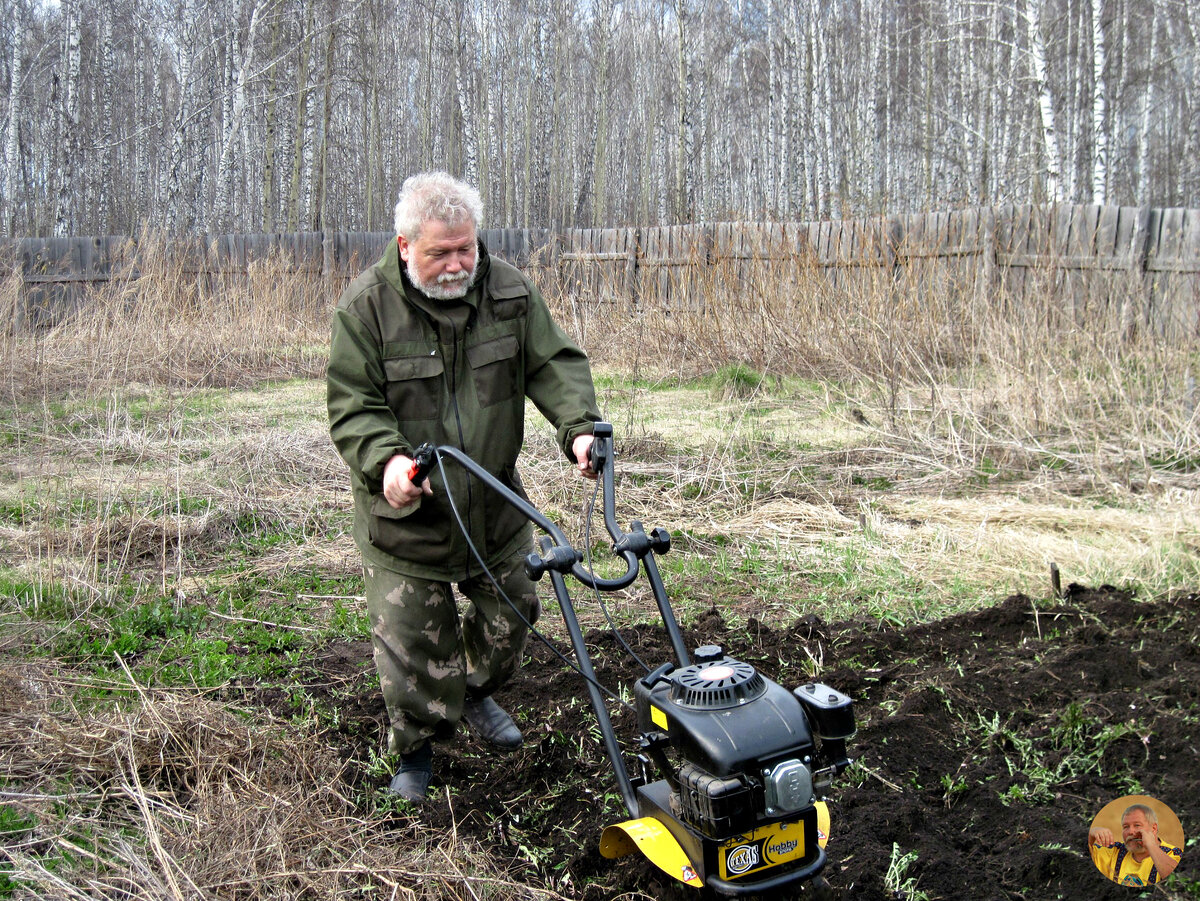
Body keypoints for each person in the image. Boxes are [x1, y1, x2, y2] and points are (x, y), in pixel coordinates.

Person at [327, 171, 601, 802]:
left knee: (515, 614)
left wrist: (581, 431)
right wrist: (387, 464)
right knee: (412, 645)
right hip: (407, 515)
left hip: (492, 505)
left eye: (465, 249)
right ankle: (419, 748)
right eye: (439, 253)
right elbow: (354, 405)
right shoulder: (365, 310)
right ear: (404, 247)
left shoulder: (509, 293)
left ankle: (473, 692)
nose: (456, 265)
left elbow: (553, 365)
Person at [1088, 803, 1182, 887]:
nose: (1130, 832)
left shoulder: (1174, 853)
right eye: (1126, 827)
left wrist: (1151, 845)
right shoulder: (1114, 852)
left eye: (1137, 825)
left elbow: (1175, 879)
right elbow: (1080, 854)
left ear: (1153, 828)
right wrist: (1092, 832)